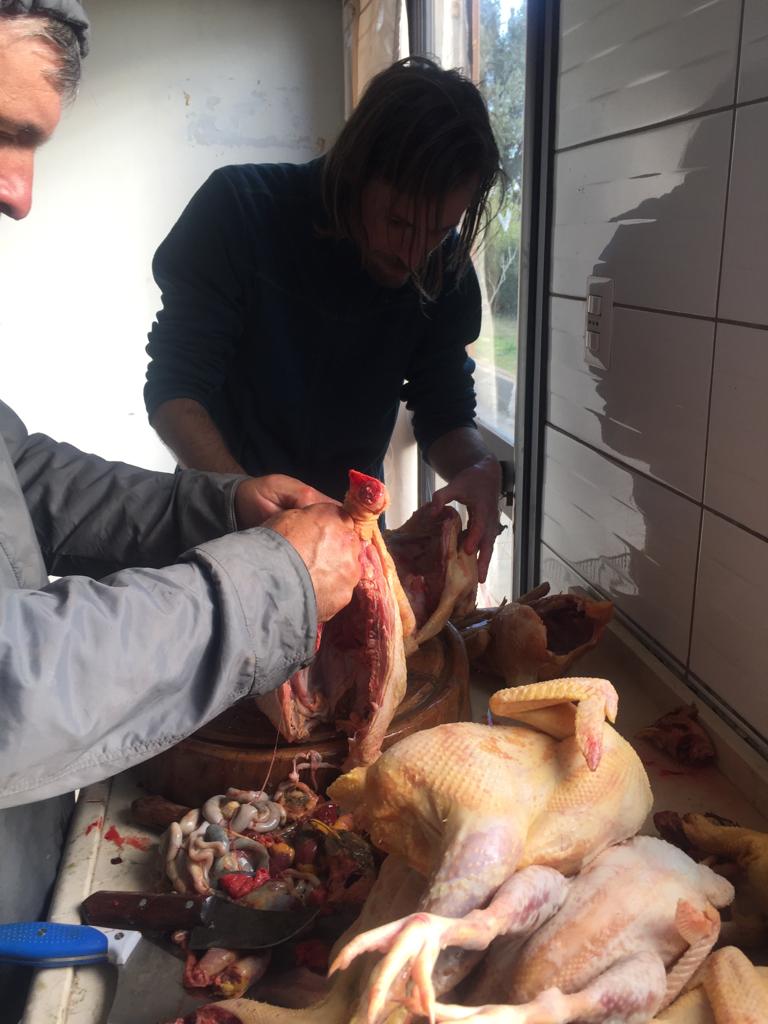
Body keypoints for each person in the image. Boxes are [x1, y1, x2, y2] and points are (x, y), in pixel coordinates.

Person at [0, 4, 361, 1016]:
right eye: (3, 135)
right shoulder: (243, 213)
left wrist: (222, 506)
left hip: (30, 862)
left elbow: (22, 477)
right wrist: (270, 584)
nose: (20, 194)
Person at [144, 56, 507, 583]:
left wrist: (478, 467)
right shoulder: (239, 211)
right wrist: (247, 504)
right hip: (219, 524)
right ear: (354, 169)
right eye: (399, 222)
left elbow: (444, 409)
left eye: (438, 230)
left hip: (349, 545)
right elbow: (176, 393)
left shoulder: (443, 267)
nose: (414, 256)